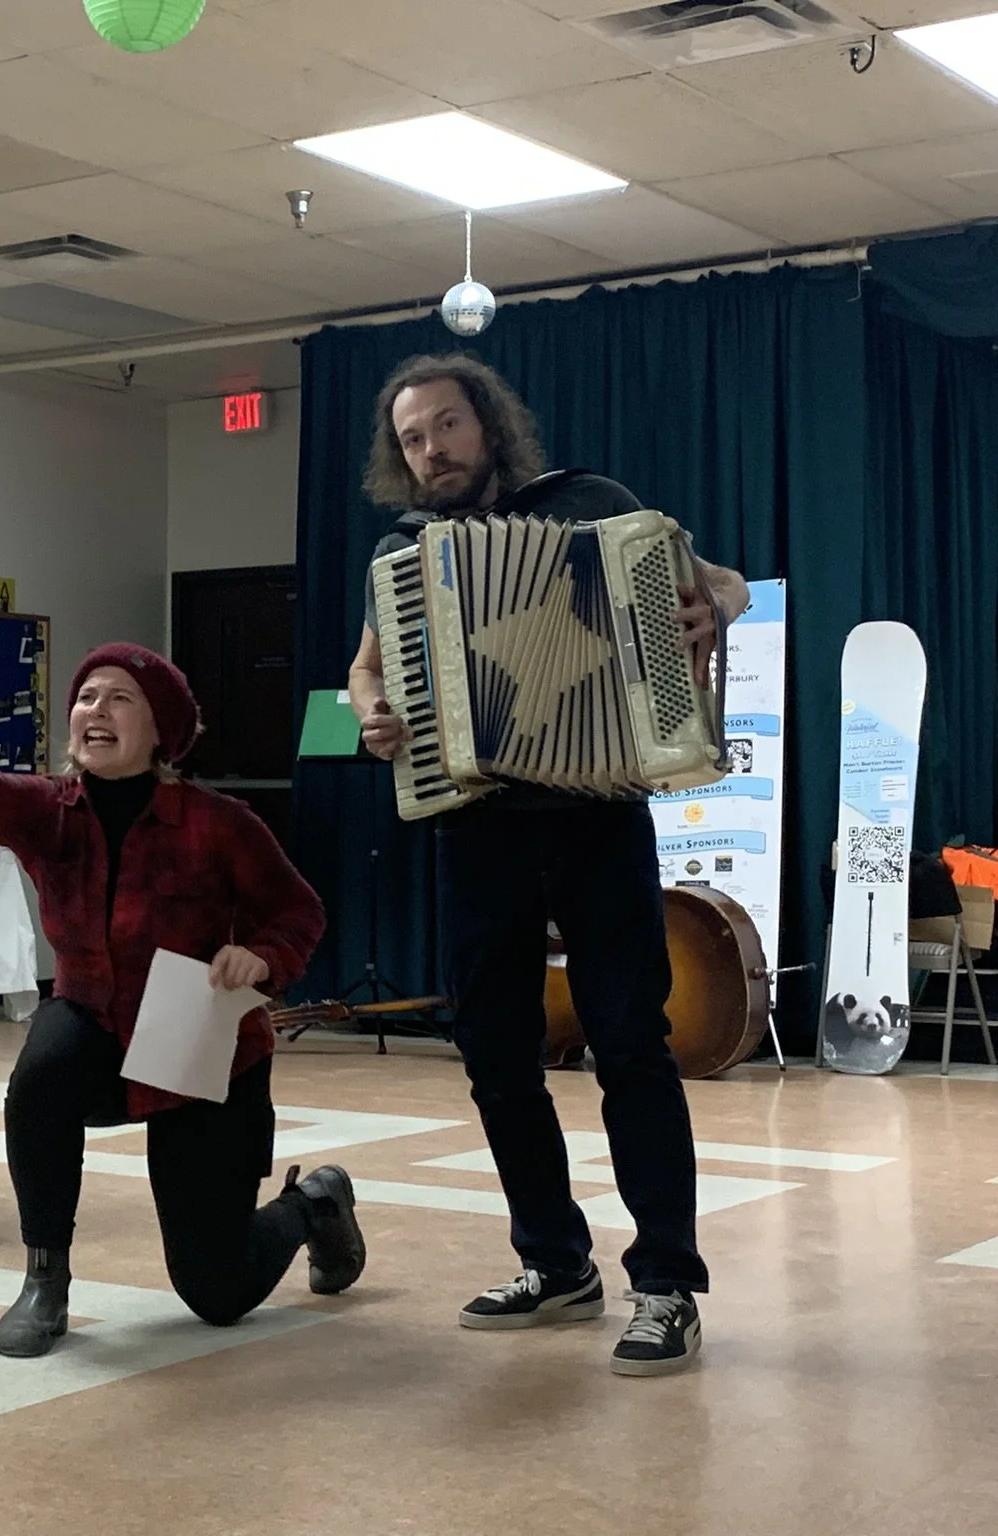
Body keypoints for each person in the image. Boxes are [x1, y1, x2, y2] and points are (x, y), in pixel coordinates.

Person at [348, 353, 751, 1376]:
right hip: (474, 819)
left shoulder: (591, 505)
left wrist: (711, 610)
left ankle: (662, 1280)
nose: (431, 449)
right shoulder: (405, 556)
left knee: (628, 1042)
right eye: (411, 437)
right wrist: (371, 713)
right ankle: (554, 1262)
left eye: (446, 425)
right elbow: (363, 667)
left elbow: (718, 584)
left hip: (595, 810)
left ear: (485, 426)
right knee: (491, 1050)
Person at [0, 640, 365, 1357]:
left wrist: (263, 958)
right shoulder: (49, 813)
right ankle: (44, 1278)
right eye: (88, 697)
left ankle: (314, 1204)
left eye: (121, 698)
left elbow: (298, 912)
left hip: (200, 1053)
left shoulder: (221, 823)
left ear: (161, 734)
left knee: (218, 1294)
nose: (97, 710)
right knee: (43, 1070)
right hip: (94, 1026)